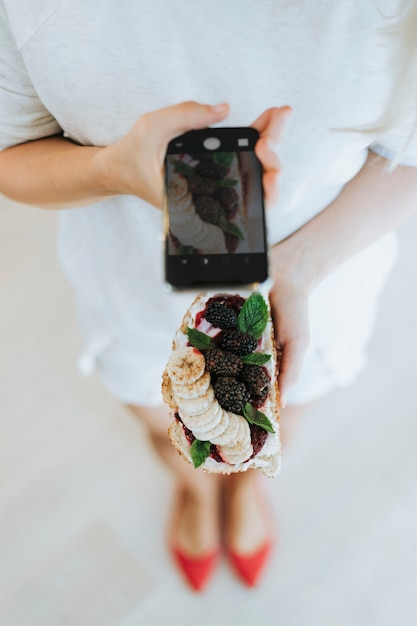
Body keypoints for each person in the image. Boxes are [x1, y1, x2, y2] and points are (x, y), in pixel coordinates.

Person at [1, 0, 417, 591]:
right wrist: (115, 170)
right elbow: (8, 152)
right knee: (164, 424)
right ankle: (195, 487)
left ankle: (246, 483)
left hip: (321, 280)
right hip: (131, 289)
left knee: (277, 417)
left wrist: (299, 269)